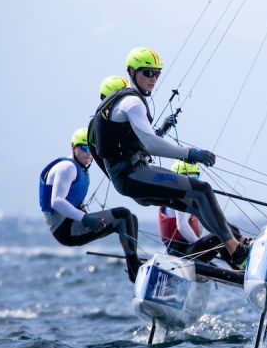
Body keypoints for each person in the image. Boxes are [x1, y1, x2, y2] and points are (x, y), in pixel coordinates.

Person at [92, 47, 249, 269]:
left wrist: (163, 129)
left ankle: (239, 250)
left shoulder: (120, 102)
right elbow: (150, 144)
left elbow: (136, 141)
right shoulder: (132, 102)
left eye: (157, 73)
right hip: (133, 175)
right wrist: (190, 153)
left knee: (195, 203)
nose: (153, 78)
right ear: (132, 71)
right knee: (202, 190)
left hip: (131, 176)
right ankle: (239, 253)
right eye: (147, 73)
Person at [39, 128, 142, 281]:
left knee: (131, 219)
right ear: (73, 147)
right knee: (123, 215)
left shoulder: (79, 168)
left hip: (71, 222)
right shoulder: (67, 167)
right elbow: (56, 201)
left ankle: (134, 263)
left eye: (91, 149)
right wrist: (85, 218)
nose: (88, 153)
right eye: (84, 148)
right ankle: (135, 270)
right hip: (65, 229)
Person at [89, 75, 176, 176]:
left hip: (139, 168)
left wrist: (162, 130)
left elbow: (141, 143)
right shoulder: (97, 126)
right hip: (128, 174)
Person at [158, 160, 234, 265]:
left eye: (194, 178)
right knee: (219, 237)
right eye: (186, 177)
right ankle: (238, 265)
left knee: (230, 229)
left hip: (187, 249)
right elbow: (182, 226)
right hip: (180, 253)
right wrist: (201, 245)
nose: (190, 181)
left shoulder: (187, 196)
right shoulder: (179, 196)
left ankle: (238, 258)